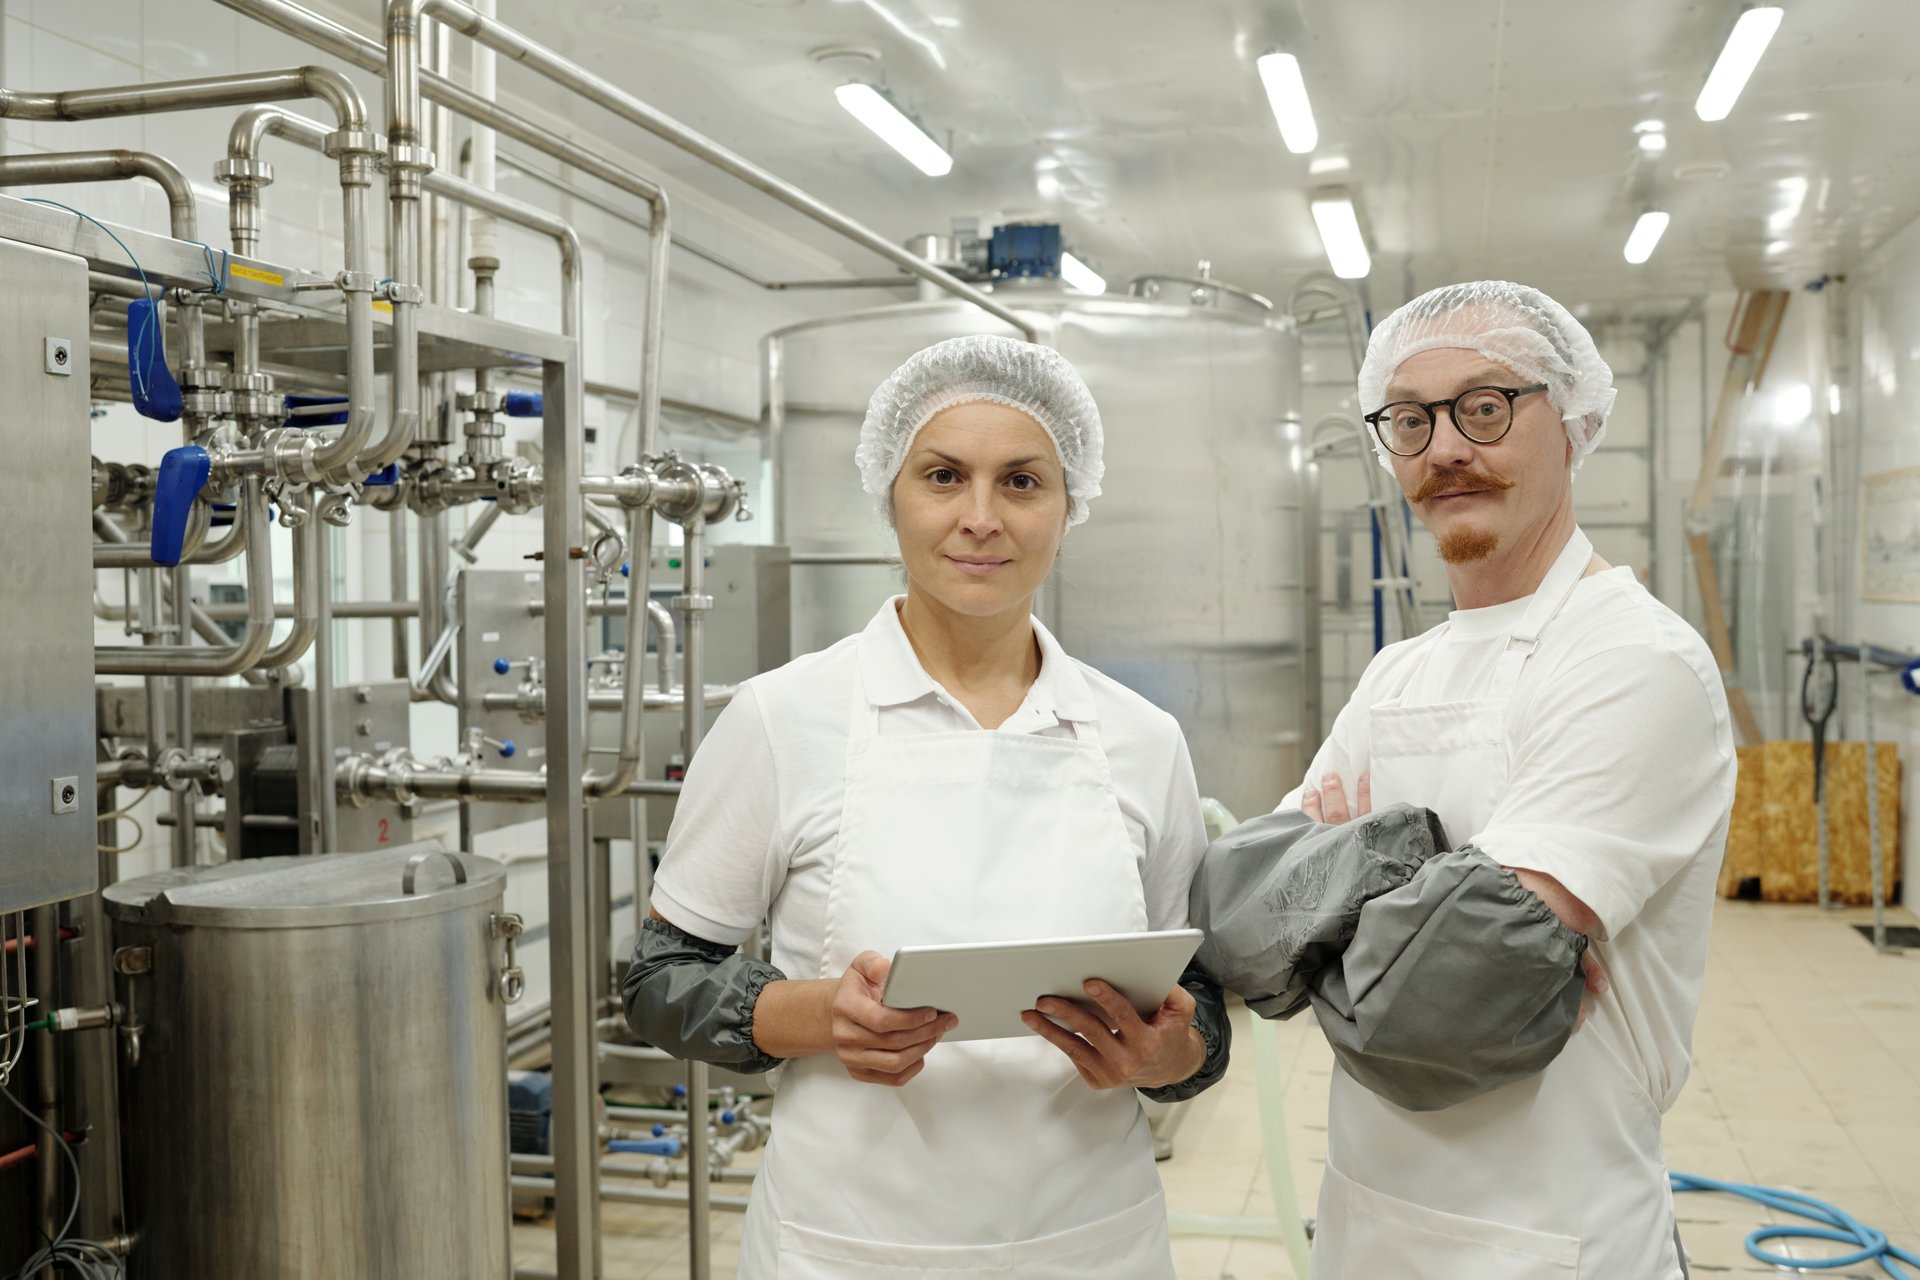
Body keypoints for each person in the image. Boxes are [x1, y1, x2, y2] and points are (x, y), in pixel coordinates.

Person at [622, 334, 1232, 1278]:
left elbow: (1204, 1015)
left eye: (1022, 482)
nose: (980, 518)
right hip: (851, 1245)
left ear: (1070, 508)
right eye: (944, 476)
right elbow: (662, 980)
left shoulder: (1143, 741)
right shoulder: (784, 720)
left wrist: (1164, 1057)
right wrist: (819, 1015)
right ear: (892, 496)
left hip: (1091, 1241)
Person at [1195, 281, 1736, 1278]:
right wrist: (1422, 911)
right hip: (1363, 1223)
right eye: (1410, 419)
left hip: (1556, 1234)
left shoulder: (1632, 661)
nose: (1444, 448)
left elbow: (1435, 1012)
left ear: (1571, 423)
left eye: (1485, 406)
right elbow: (1239, 926)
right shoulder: (1399, 672)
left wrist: (1339, 886)